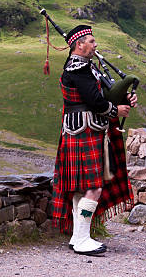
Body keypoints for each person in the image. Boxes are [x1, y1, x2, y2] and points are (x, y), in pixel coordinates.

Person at [51, 24, 136, 256]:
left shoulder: (87, 67)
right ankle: (82, 239)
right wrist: (115, 111)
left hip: (85, 130)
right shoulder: (78, 68)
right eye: (91, 41)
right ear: (80, 45)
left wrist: (125, 100)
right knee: (93, 187)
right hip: (84, 130)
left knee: (83, 189)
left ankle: (78, 237)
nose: (95, 44)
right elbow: (96, 102)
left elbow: (104, 94)